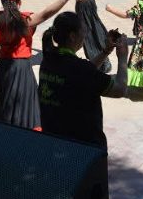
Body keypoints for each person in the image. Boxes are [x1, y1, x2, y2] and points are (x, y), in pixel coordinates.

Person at [0, 0, 76, 129]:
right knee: (24, 103)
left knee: (6, 102)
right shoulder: (23, 21)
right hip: (21, 68)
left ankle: (4, 132)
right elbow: (46, 13)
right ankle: (25, 133)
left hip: (4, 66)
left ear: (3, 2)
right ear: (20, 1)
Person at [38, 12, 129, 149]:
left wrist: (106, 51)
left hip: (54, 140)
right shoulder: (80, 69)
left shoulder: (48, 61)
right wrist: (122, 56)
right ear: (73, 36)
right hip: (84, 147)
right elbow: (120, 89)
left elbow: (83, 73)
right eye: (83, 31)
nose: (85, 35)